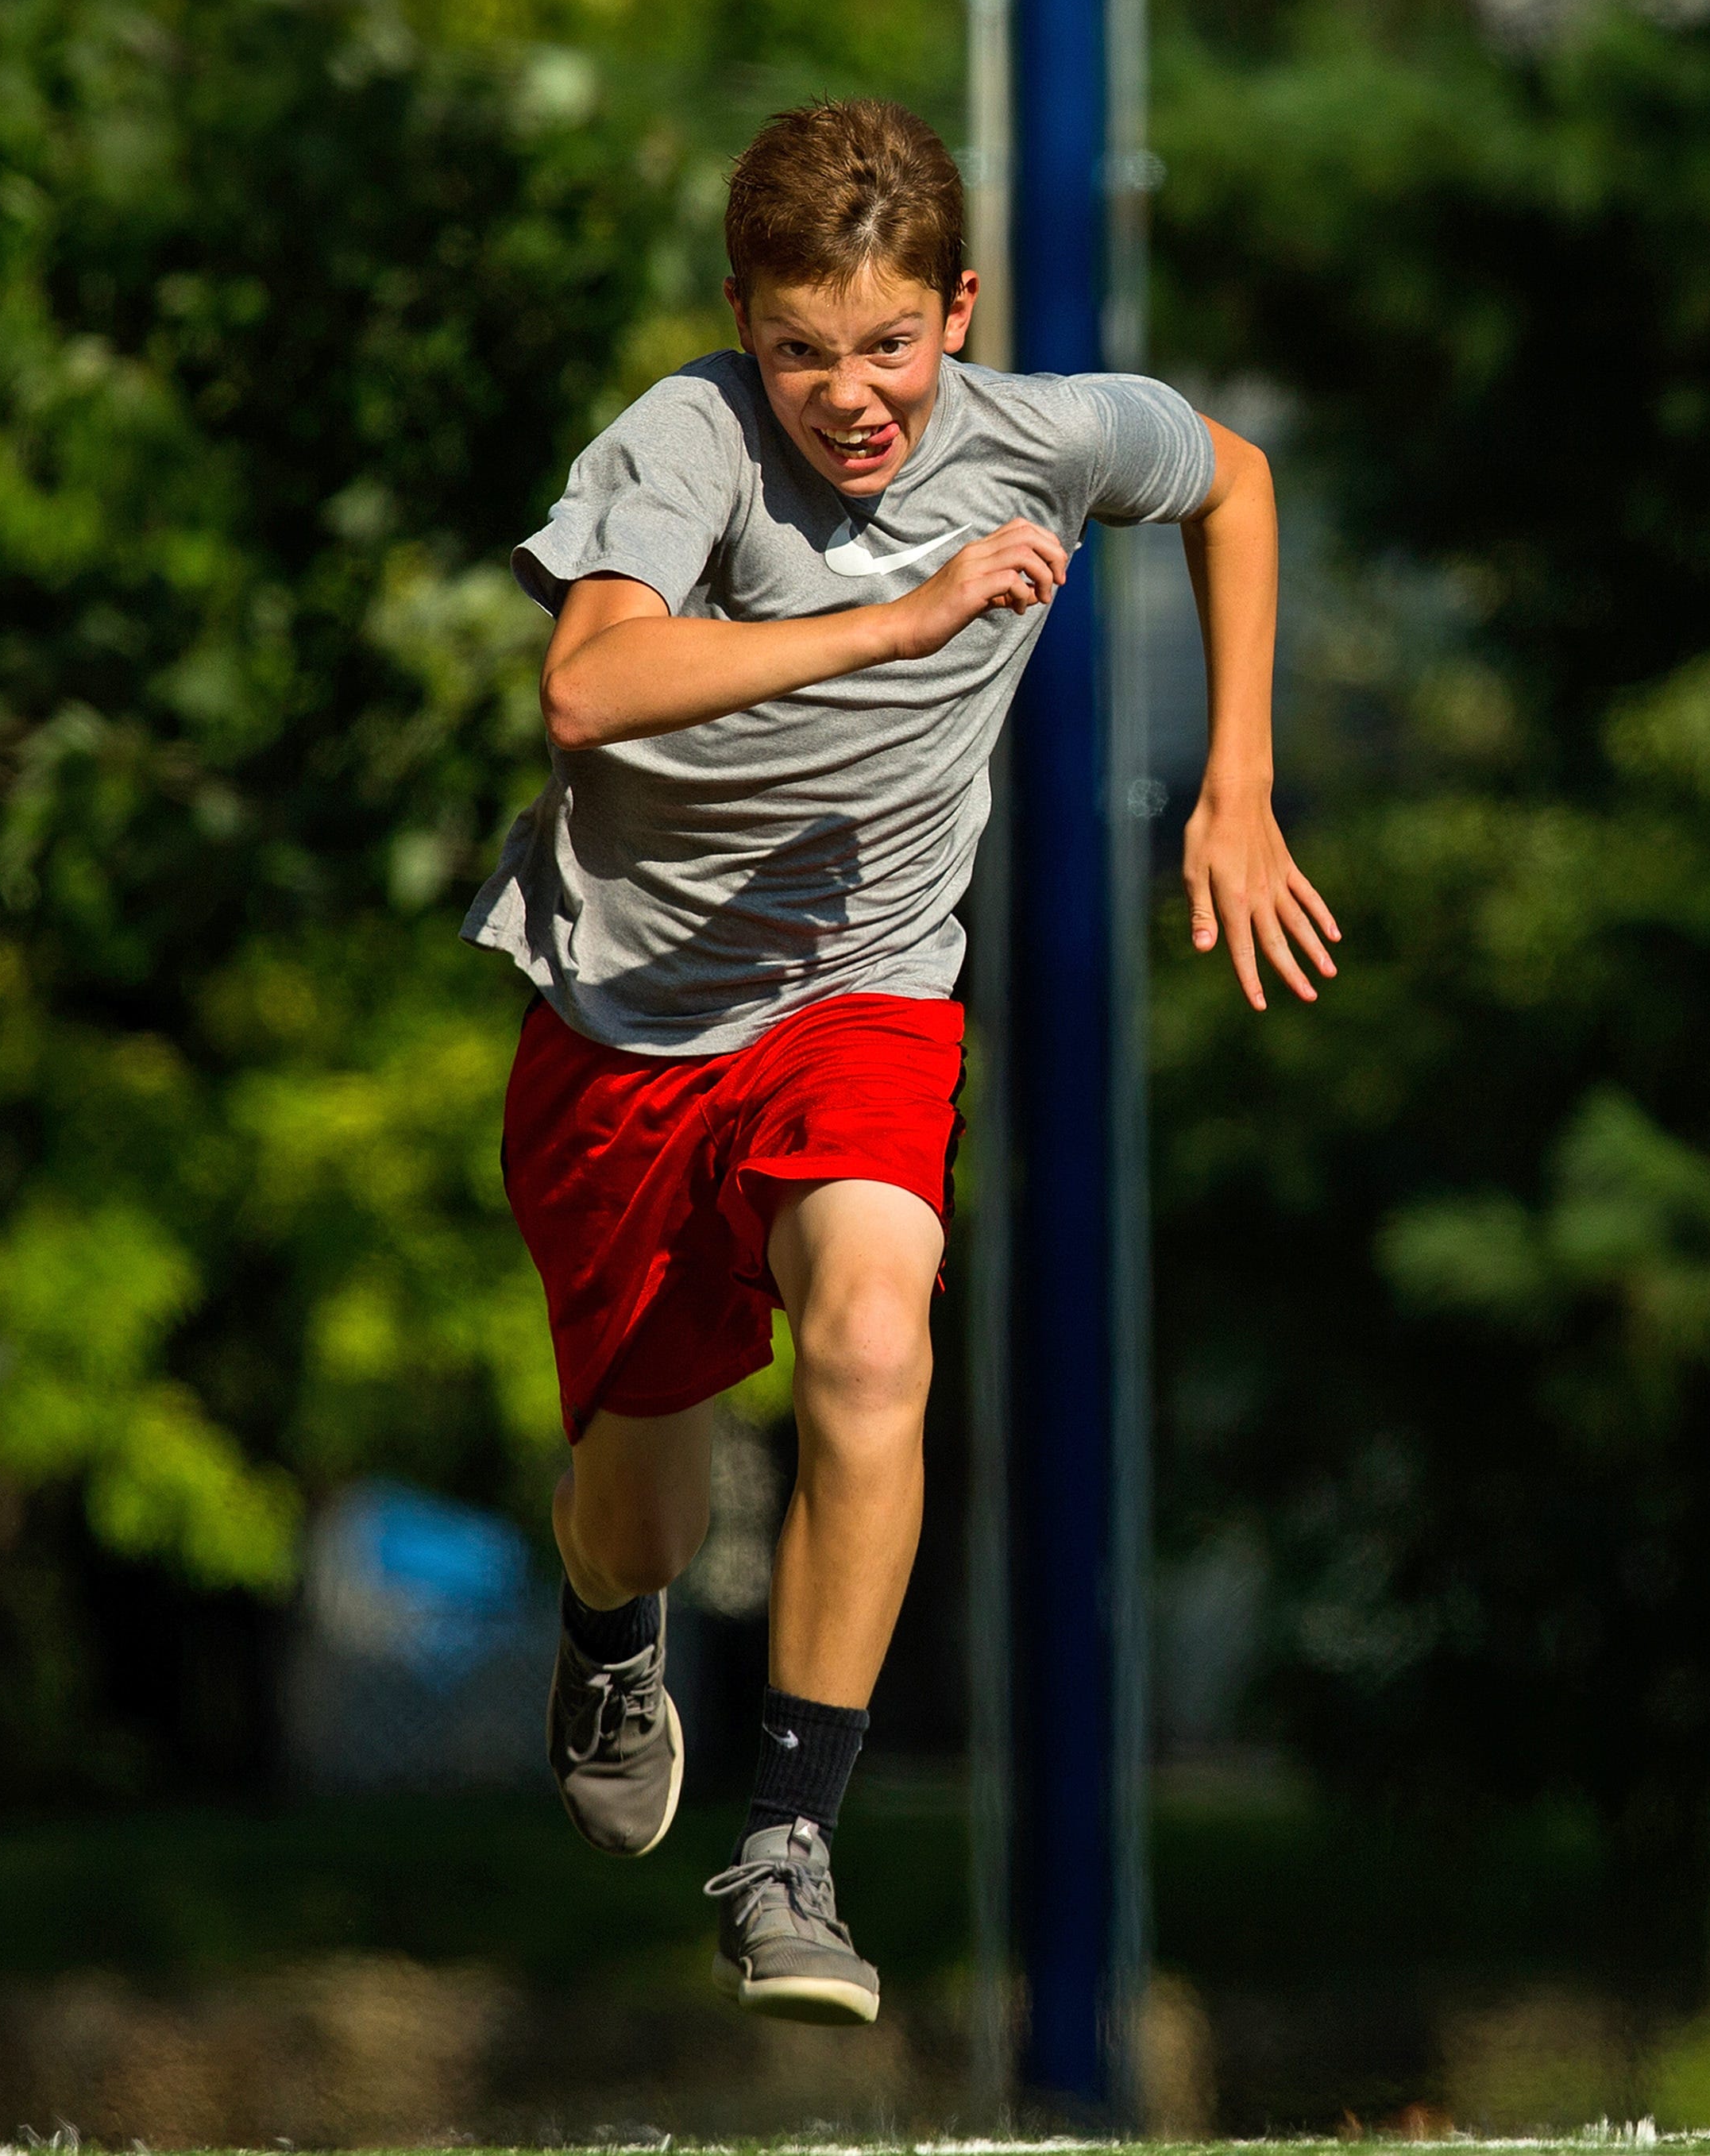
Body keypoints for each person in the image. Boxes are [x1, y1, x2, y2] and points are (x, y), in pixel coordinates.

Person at [465, 98, 1338, 2025]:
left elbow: (1237, 477)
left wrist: (1239, 777)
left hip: (862, 996)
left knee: (875, 1339)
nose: (847, 394)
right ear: (742, 322)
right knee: (645, 1508)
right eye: (800, 348)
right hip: (625, 1032)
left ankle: (790, 1844)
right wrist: (900, 616)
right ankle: (609, 1622)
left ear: (958, 307)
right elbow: (588, 686)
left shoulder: (1048, 434)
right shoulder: (688, 441)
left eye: (884, 343)